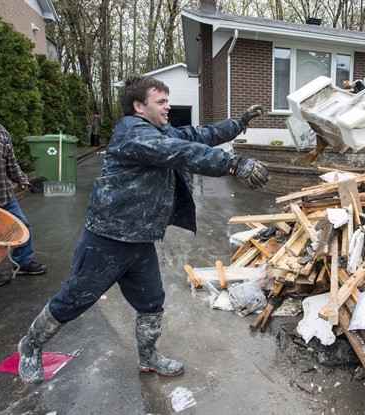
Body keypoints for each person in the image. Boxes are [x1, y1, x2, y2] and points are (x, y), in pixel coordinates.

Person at [17, 75, 269, 384]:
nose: (168, 106)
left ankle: (148, 356)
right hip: (107, 239)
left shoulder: (159, 130)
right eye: (161, 101)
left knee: (151, 302)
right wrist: (232, 163)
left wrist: (238, 123)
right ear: (139, 106)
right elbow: (180, 152)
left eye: (167, 100)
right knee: (75, 298)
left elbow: (196, 135)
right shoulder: (133, 134)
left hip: (141, 239)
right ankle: (30, 345)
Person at [0, 123, 47, 287]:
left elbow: (10, 163)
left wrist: (22, 179)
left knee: (23, 227)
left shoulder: (2, 132)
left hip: (4, 195)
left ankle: (23, 262)